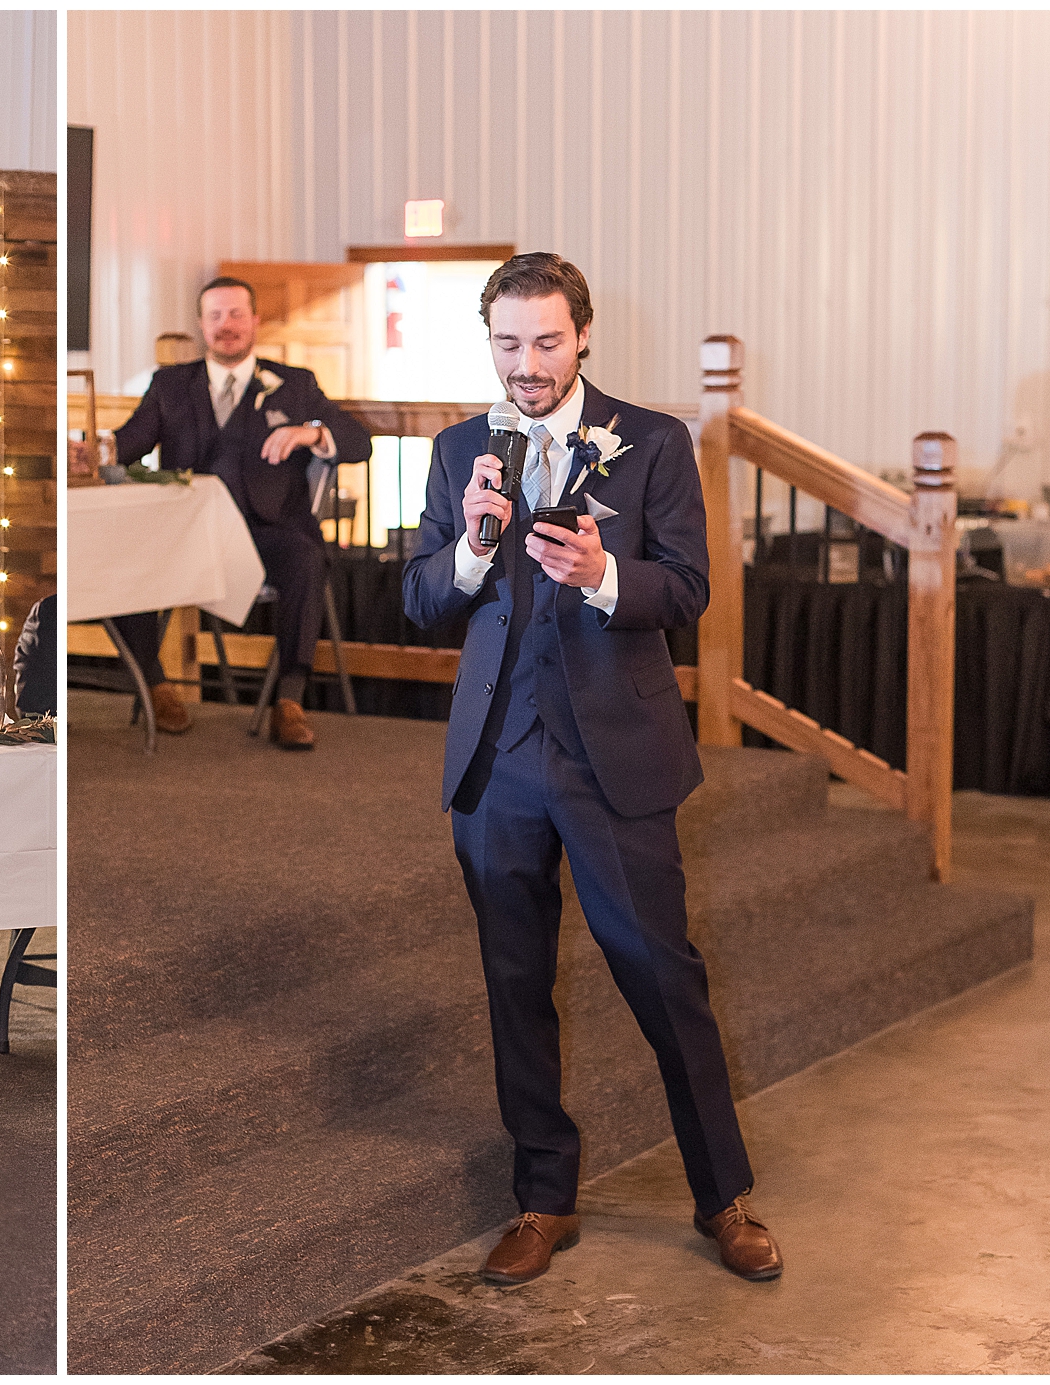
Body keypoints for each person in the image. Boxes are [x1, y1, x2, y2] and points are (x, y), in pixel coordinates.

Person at [402, 253, 782, 1285]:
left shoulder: (651, 441)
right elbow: (421, 596)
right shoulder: (457, 451)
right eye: (507, 342)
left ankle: (722, 1194)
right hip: (496, 759)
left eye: (545, 341)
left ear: (582, 336)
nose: (525, 363)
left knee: (663, 974)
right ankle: (544, 1195)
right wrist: (472, 548)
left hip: (613, 754)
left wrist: (608, 573)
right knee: (514, 980)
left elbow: (690, 587)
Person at [76, 277, 371, 749]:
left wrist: (311, 433)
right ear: (201, 324)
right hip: (186, 534)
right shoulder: (171, 384)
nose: (225, 325)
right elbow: (130, 442)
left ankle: (289, 699)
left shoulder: (294, 384)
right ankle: (155, 684)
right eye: (215, 316)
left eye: (235, 314)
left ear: (254, 320)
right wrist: (93, 451)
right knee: (125, 556)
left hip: (267, 531)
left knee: (307, 558)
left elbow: (358, 443)